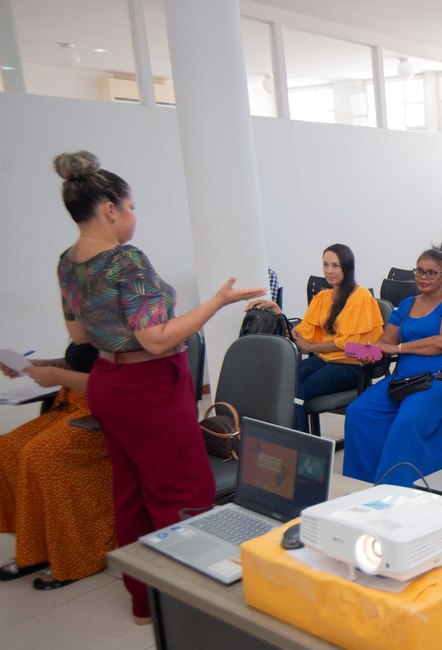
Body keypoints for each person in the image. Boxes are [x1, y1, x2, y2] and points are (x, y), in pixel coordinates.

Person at [49, 151, 264, 623]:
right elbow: (157, 336)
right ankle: (191, 609)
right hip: (149, 386)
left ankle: (145, 603)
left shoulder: (69, 263)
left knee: (130, 492)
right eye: (130, 207)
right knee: (183, 490)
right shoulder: (125, 260)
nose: (133, 216)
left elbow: (79, 335)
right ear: (109, 210)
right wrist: (217, 302)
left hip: (109, 382)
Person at [343, 249, 442, 487]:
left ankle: (396, 491)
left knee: (407, 421)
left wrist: (400, 348)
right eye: (419, 271)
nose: (423, 276)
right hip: (403, 378)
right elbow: (386, 342)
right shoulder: (407, 304)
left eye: (431, 272)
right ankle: (361, 485)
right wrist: (372, 352)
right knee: (358, 412)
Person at [0, 344, 113, 591]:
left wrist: (58, 376)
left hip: (108, 411)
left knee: (41, 455)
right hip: (73, 404)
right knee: (7, 449)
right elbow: (81, 361)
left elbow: (117, 383)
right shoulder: (85, 324)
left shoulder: (114, 326)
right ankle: (35, 549)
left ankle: (77, 558)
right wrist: (40, 365)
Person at [246, 244, 383, 432]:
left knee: (290, 389)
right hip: (325, 361)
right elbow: (302, 333)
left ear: (347, 267)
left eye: (335, 265)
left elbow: (348, 345)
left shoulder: (360, 297)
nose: (329, 271)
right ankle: (295, 442)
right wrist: (278, 312)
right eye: (325, 265)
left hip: (352, 365)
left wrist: (310, 348)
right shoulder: (323, 297)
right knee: (282, 379)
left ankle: (299, 448)